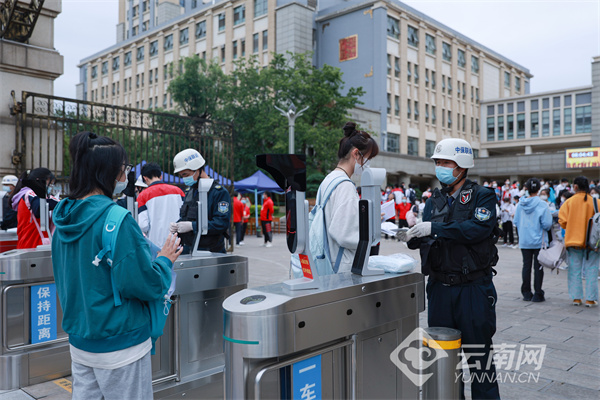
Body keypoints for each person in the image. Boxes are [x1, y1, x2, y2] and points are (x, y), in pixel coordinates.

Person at [51, 131, 181, 400]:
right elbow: (144, 284)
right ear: (109, 171)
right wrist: (165, 261)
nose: (126, 176)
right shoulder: (116, 219)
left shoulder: (63, 218)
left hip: (81, 340)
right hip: (121, 343)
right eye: (124, 169)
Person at [404, 138, 500, 399]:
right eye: (438, 162)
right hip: (440, 289)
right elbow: (431, 236)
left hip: (473, 289)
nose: (441, 167)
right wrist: (414, 236)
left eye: (446, 162)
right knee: (443, 361)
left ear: (462, 165)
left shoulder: (482, 196)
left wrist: (434, 228)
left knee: (480, 359)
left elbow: (477, 229)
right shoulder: (433, 200)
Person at [316, 121, 379, 273]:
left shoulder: (329, 179)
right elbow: (345, 234)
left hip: (327, 259)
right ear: (356, 154)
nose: (368, 164)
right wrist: (372, 227)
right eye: (368, 158)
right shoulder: (345, 185)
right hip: (340, 265)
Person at [169, 149, 231, 254]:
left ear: (198, 169)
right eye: (182, 175)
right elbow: (188, 217)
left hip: (210, 251)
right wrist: (178, 225)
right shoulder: (190, 191)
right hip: (189, 249)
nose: (184, 178)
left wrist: (192, 226)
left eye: (186, 174)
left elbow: (221, 223)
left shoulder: (218, 192)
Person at [558, 176, 599, 307]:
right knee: (592, 270)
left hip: (574, 241)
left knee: (574, 270)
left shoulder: (569, 202)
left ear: (575, 187)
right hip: (593, 243)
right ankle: (590, 299)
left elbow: (562, 222)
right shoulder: (596, 202)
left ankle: (576, 298)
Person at [513, 178, 552, 302]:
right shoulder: (542, 204)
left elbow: (515, 221)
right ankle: (538, 293)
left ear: (527, 189)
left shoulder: (520, 204)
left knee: (526, 266)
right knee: (538, 267)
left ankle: (526, 293)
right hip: (539, 241)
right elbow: (547, 224)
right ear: (539, 189)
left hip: (525, 240)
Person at [137, 162, 185, 248]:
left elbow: (143, 225)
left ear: (145, 178)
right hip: (177, 243)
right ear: (161, 176)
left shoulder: (143, 196)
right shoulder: (178, 191)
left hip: (155, 245)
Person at [10, 168, 59, 249]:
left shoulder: (26, 194)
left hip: (29, 244)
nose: (50, 187)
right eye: (49, 183)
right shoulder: (30, 194)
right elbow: (38, 209)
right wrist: (58, 203)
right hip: (33, 244)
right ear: (39, 181)